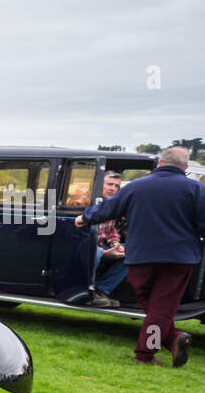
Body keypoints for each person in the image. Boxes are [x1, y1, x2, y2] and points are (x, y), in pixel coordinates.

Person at [77, 146, 205, 366]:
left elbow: (109, 208)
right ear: (185, 167)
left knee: (153, 306)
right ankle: (159, 346)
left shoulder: (136, 186)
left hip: (140, 257)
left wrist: (84, 217)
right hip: (178, 259)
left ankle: (158, 346)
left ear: (160, 163)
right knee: (161, 308)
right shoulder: (196, 189)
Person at [76, 171, 127, 307]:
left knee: (132, 252)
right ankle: (88, 293)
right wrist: (105, 253)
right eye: (109, 184)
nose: (113, 188)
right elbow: (79, 235)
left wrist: (116, 244)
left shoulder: (111, 205)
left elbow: (111, 231)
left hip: (100, 246)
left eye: (116, 186)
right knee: (96, 253)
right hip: (79, 246)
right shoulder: (83, 202)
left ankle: (101, 289)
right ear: (99, 185)